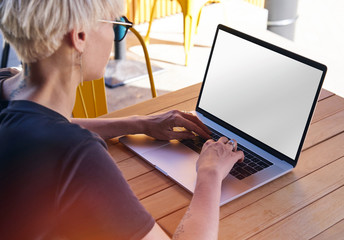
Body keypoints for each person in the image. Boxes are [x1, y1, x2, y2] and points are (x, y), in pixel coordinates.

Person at [0, 0, 244, 239]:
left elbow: (42, 129)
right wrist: (210, 174)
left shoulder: (9, 94)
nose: (119, 37)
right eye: (116, 26)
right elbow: (58, 142)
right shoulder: (76, 154)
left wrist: (139, 123)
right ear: (80, 36)